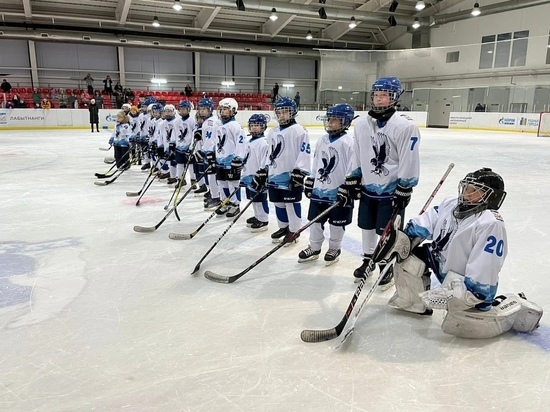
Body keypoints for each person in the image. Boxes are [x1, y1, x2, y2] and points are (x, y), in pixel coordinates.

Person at [377, 167, 543, 338]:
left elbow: (486, 265)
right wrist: (404, 238)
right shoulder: (451, 203)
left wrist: (470, 293)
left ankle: (514, 306)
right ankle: (413, 303)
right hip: (440, 261)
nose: (466, 194)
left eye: (474, 191)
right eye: (466, 188)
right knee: (407, 259)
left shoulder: (490, 223)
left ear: (492, 196)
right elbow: (426, 222)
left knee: (462, 324)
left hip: (463, 280)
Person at [338, 76, 420, 286]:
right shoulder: (363, 124)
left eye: (384, 95)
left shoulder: (405, 126)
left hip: (391, 190)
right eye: (376, 95)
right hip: (368, 188)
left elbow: (409, 158)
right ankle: (368, 259)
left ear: (394, 97)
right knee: (366, 225)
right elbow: (358, 153)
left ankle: (385, 265)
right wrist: (354, 177)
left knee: (386, 230)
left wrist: (405, 186)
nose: (379, 99)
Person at [298, 103, 355, 264]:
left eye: (336, 120)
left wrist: (347, 187)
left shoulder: (349, 142)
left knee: (337, 224)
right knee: (315, 222)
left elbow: (352, 168)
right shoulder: (323, 140)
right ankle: (314, 247)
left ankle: (334, 248)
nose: (330, 122)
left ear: (346, 122)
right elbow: (317, 163)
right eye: (330, 119)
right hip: (320, 191)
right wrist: (311, 180)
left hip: (339, 193)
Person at [252, 96, 311, 244]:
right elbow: (270, 153)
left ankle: (294, 230)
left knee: (291, 204)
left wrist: (300, 171)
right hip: (274, 174)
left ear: (293, 112)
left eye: (286, 111)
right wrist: (264, 170)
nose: (282, 115)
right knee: (278, 203)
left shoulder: (299, 131)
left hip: (290, 175)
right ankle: (284, 227)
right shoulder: (273, 131)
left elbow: (305, 152)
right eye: (279, 112)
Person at [214, 98, 248, 218]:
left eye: (226, 110)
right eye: (222, 109)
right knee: (222, 183)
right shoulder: (218, 125)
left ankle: (235, 204)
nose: (223, 112)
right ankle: (225, 202)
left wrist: (238, 160)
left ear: (233, 111)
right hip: (220, 160)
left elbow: (241, 143)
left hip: (231, 162)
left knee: (233, 183)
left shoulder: (235, 126)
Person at [241, 114, 270, 232]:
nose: (254, 128)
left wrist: (263, 175)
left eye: (257, 125)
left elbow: (265, 161)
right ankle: (257, 216)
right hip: (249, 175)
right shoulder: (250, 141)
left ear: (263, 127)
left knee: (260, 198)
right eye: (252, 125)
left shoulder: (264, 143)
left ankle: (263, 220)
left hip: (258, 177)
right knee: (252, 198)